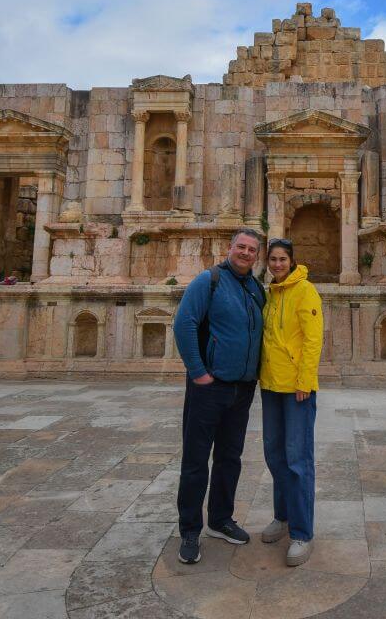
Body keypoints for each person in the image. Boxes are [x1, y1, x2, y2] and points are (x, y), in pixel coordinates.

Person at [172, 228, 266, 565]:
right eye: (240, 247)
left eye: (251, 249)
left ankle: (220, 519)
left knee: (230, 457)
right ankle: (189, 530)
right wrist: (199, 372)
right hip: (209, 387)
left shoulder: (256, 288)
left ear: (258, 255)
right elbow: (184, 324)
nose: (245, 253)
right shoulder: (208, 280)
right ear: (230, 248)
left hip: (242, 387)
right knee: (196, 461)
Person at [258, 238, 323, 567]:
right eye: (273, 259)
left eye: (282, 259)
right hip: (270, 384)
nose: (278, 264)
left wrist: (304, 381)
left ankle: (301, 533)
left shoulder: (305, 290)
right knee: (274, 453)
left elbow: (313, 338)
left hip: (296, 389)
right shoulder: (271, 293)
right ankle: (282, 517)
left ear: (292, 261)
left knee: (298, 459)